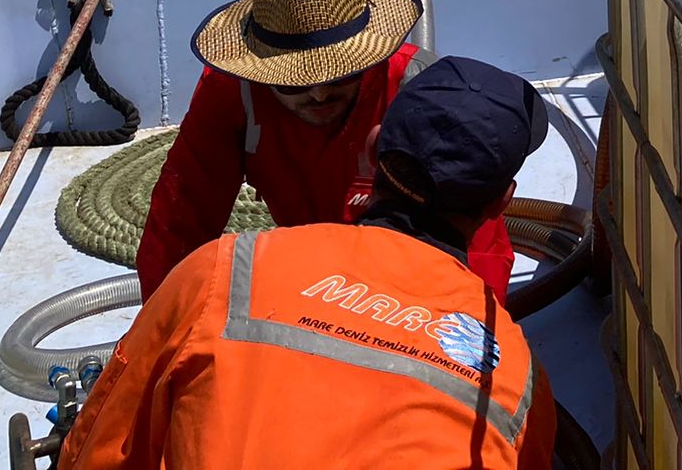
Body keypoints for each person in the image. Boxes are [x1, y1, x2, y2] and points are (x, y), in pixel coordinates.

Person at [63, 56, 558, 469]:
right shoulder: (517, 377)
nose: (318, 94)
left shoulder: (220, 273)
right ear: (501, 203)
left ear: (372, 147)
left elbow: (99, 451)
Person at [135, 0, 515, 300]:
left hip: (410, 282)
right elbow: (179, 222)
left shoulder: (417, 92)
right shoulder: (230, 92)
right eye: (293, 81)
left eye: (342, 74)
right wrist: (165, 328)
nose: (318, 92)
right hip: (308, 269)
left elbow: (478, 246)